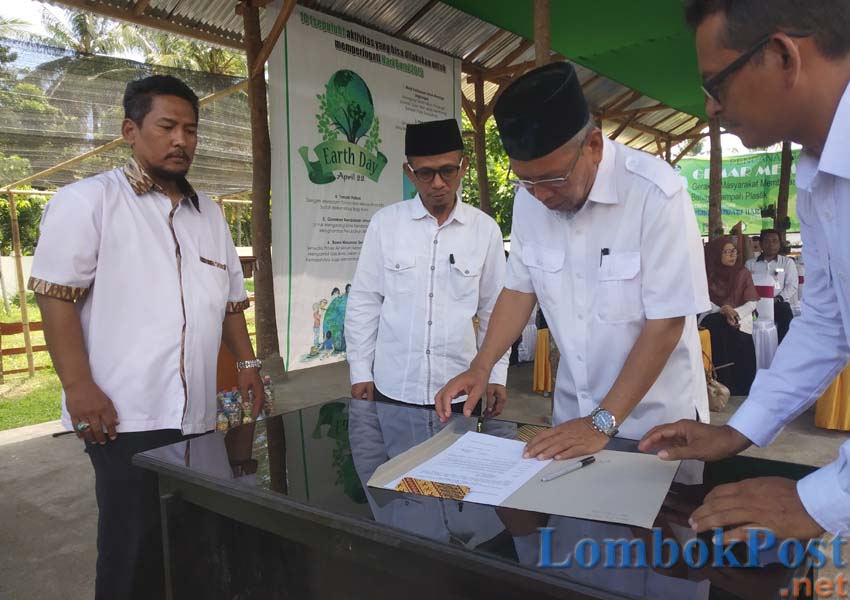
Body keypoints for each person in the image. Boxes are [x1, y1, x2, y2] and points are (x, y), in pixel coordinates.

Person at [29, 75, 263, 599]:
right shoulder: (88, 202)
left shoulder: (212, 216)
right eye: (167, 126)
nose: (182, 140)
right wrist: (78, 387)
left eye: (191, 130)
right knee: (131, 550)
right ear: (130, 131)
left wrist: (248, 368)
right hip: (124, 416)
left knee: (193, 542)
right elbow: (55, 298)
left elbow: (229, 305)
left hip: (201, 415)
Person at [640, 0, 850, 542]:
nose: (711, 109)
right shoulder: (818, 176)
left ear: (782, 56)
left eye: (718, 84)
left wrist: (820, 501)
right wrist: (738, 430)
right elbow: (828, 320)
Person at [435, 62, 710, 461]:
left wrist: (601, 422)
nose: (541, 196)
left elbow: (666, 325)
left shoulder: (656, 194)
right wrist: (481, 365)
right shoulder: (530, 198)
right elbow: (518, 291)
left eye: (553, 179)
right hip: (571, 422)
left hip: (655, 429)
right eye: (526, 181)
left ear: (594, 146)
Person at [345, 118, 508, 411]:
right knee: (396, 459)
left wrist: (496, 374)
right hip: (393, 387)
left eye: (447, 171)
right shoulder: (385, 224)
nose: (437, 183)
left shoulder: (485, 231)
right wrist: (359, 370)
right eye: (425, 173)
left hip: (460, 389)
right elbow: (365, 300)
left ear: (464, 166)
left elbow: (494, 310)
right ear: (409, 172)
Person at [698, 237, 759, 395]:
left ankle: (740, 386)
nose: (732, 255)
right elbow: (702, 299)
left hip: (740, 316)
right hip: (713, 313)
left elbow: (752, 302)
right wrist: (723, 309)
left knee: (735, 330)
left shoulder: (742, 273)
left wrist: (734, 312)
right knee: (717, 323)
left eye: (734, 251)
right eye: (727, 252)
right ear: (716, 254)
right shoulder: (705, 274)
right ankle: (719, 382)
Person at [745, 228, 797, 341]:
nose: (771, 244)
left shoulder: (787, 263)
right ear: (761, 244)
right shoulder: (750, 264)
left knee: (785, 311)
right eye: (767, 241)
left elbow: (792, 286)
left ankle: (782, 347)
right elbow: (745, 285)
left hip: (777, 303)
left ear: (779, 244)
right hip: (755, 305)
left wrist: (778, 298)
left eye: (775, 241)